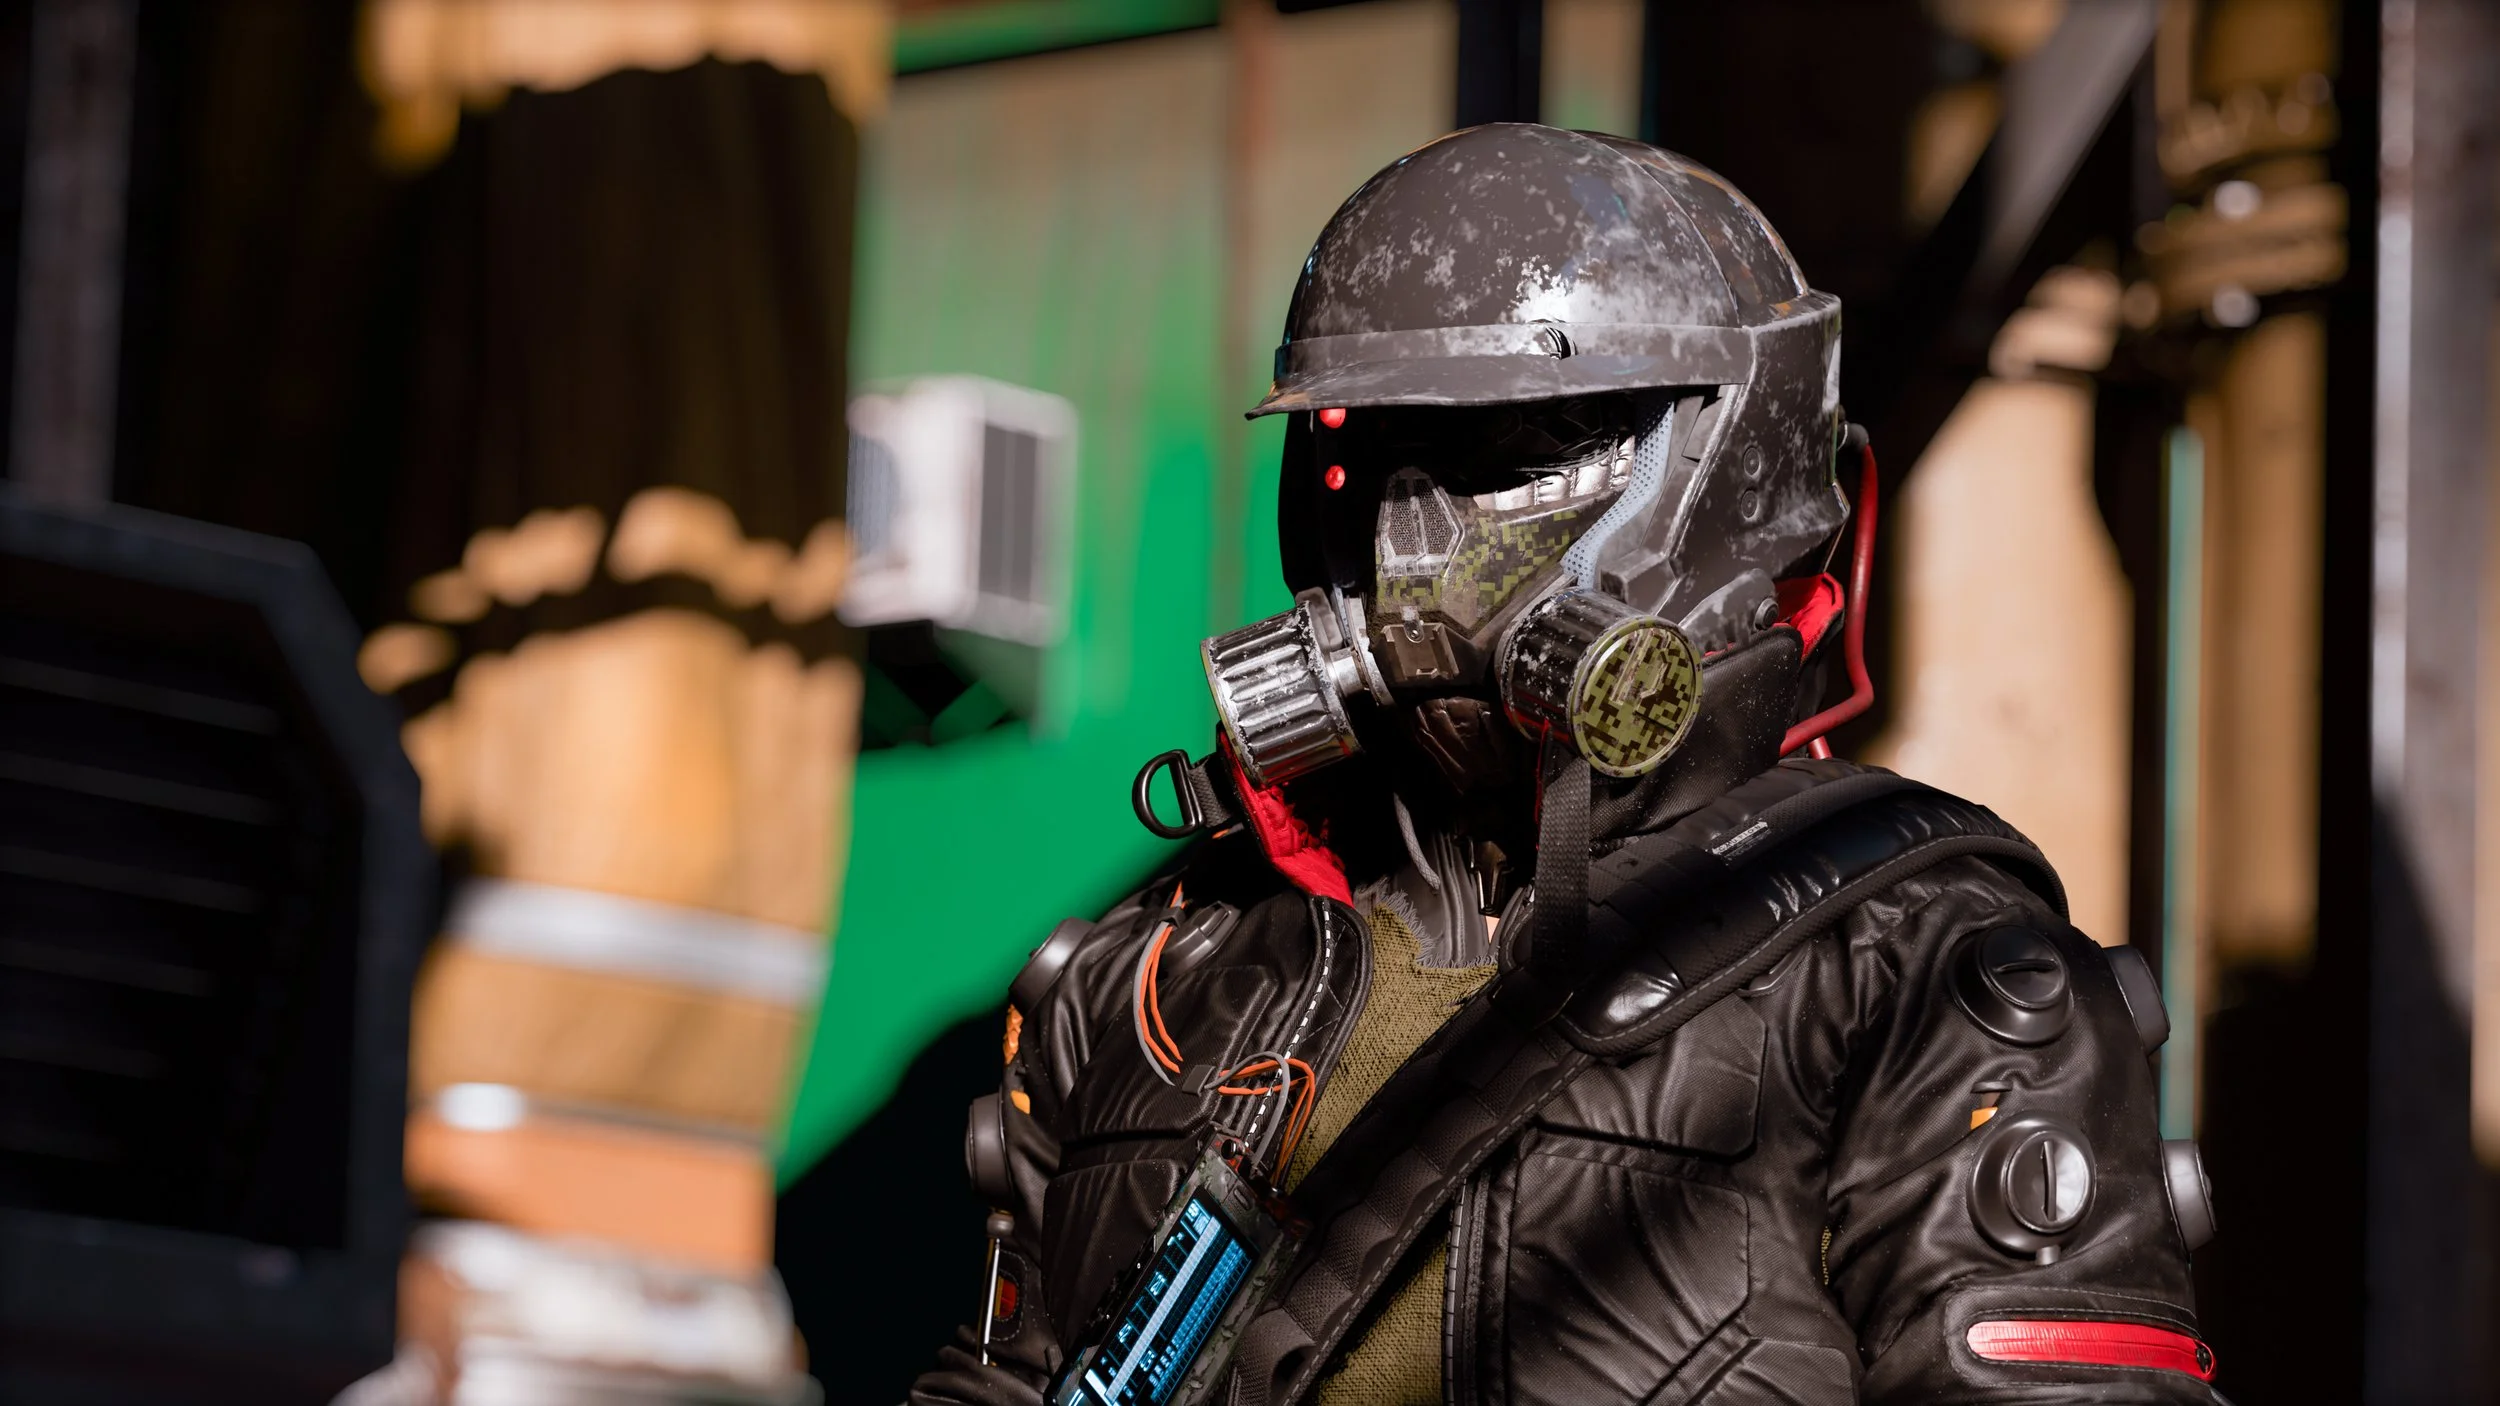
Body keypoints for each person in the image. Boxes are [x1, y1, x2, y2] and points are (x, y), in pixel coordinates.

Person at [913, 123, 2217, 1406]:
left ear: (1728, 470)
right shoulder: (1150, 978)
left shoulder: (1916, 959)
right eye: (1380, 458)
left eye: (1525, 455)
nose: (1414, 545)